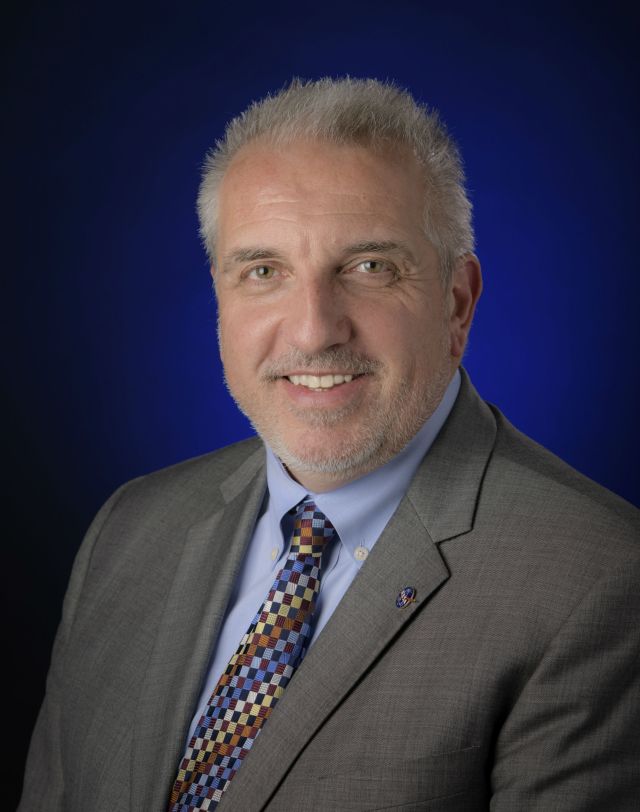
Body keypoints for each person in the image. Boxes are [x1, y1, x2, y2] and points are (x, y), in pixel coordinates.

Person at [20, 77, 639, 811]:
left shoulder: (597, 580)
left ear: (457, 302)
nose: (314, 329)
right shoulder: (129, 531)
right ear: (220, 299)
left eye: (370, 268)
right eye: (263, 272)